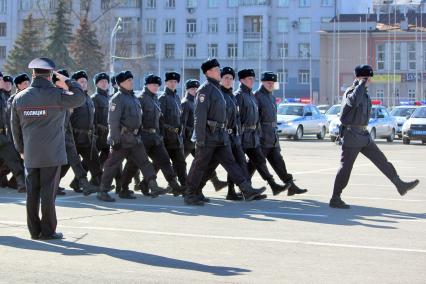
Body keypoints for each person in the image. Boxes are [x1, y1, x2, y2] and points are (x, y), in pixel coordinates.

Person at [11, 57, 85, 239]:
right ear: (51, 74)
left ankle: (34, 231)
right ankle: (48, 230)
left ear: (33, 74)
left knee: (32, 193)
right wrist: (67, 80)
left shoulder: (19, 97)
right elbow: (80, 98)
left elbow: (15, 128)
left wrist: (21, 150)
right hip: (52, 153)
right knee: (47, 194)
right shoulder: (57, 95)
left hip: (30, 153)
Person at [330, 65, 419, 209]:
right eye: (367, 78)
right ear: (361, 77)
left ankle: (400, 185)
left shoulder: (363, 93)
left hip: (363, 135)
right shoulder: (351, 92)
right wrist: (360, 84)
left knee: (382, 160)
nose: (369, 80)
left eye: (369, 78)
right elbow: (352, 102)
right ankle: (335, 197)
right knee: (346, 168)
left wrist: (362, 86)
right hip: (352, 135)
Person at [184, 59, 266, 206]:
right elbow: (199, 116)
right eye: (216, 69)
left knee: (231, 163)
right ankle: (190, 193)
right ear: (208, 72)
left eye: (218, 69)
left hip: (221, 136)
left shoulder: (218, 90)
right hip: (208, 136)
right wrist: (200, 138)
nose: (219, 71)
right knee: (199, 166)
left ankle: (246, 190)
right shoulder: (204, 90)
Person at [98, 70, 169, 202]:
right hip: (122, 138)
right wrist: (115, 139)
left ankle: (153, 186)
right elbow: (112, 121)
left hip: (135, 139)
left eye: (131, 80)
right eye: (128, 81)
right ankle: (103, 191)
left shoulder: (134, 98)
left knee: (144, 162)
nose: (131, 82)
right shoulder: (117, 98)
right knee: (112, 165)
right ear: (121, 83)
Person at [120, 74, 182, 198]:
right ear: (147, 85)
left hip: (155, 137)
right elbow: (135, 119)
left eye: (157, 85)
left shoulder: (155, 99)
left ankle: (174, 185)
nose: (156, 87)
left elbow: (160, 120)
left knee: (164, 161)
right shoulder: (140, 99)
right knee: (133, 163)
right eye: (153, 85)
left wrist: (161, 136)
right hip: (142, 136)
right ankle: (124, 187)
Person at [254, 71, 307, 196]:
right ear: (262, 82)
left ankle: (291, 186)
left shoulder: (272, 97)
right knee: (254, 164)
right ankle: (244, 187)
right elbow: (255, 118)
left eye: (273, 83)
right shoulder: (257, 96)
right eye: (268, 82)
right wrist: (258, 135)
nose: (271, 85)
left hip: (272, 137)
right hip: (262, 137)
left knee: (279, 162)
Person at [235, 69, 287, 195]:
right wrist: (237, 136)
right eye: (249, 79)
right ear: (241, 80)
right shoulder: (239, 95)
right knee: (238, 164)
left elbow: (256, 117)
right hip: (242, 136)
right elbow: (236, 118)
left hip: (253, 136)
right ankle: (238, 190)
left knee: (259, 161)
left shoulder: (251, 95)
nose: (252, 81)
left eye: (253, 78)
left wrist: (257, 133)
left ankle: (273, 185)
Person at [181, 78, 227, 191]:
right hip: (188, 140)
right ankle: (179, 185)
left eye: (196, 88)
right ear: (187, 90)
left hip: (196, 137)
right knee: (180, 162)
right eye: (192, 88)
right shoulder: (186, 103)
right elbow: (182, 123)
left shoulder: (196, 101)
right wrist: (184, 138)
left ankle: (215, 182)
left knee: (204, 161)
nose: (195, 90)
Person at [91, 72, 122, 194]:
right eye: (101, 82)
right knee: (93, 160)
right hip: (99, 134)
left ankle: (116, 183)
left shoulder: (110, 98)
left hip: (109, 134)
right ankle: (81, 181)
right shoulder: (94, 98)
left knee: (111, 159)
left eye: (106, 82)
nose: (104, 84)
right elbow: (92, 118)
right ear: (97, 84)